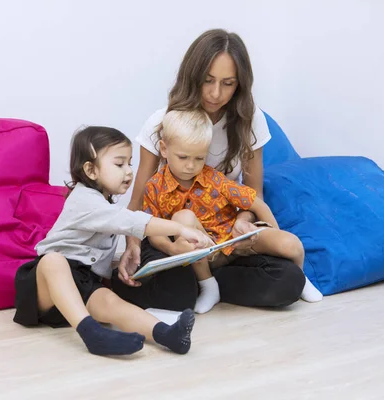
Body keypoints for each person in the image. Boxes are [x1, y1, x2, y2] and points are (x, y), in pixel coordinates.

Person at [113, 28, 308, 311]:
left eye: (228, 84)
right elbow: (137, 203)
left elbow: (252, 195)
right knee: (168, 288)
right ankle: (202, 282)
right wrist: (132, 245)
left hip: (226, 237)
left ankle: (210, 283)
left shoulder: (250, 120)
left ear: (240, 84)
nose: (216, 94)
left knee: (288, 281)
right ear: (193, 77)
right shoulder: (162, 122)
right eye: (208, 81)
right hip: (175, 235)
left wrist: (244, 221)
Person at [13, 126, 214, 357]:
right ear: (90, 170)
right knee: (53, 260)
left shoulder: (105, 206)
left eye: (130, 163)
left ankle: (167, 334)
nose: (129, 172)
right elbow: (130, 220)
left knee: (111, 302)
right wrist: (179, 228)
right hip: (44, 286)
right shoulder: (84, 200)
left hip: (81, 285)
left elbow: (108, 236)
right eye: (120, 164)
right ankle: (92, 335)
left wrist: (124, 254)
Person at [142, 109, 324, 313]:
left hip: (235, 240)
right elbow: (153, 231)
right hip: (204, 252)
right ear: (164, 149)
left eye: (199, 158)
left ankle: (302, 278)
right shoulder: (154, 187)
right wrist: (173, 250)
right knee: (183, 218)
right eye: (183, 157)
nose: (191, 166)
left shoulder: (214, 178)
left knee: (291, 243)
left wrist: (271, 231)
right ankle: (208, 285)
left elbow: (256, 203)